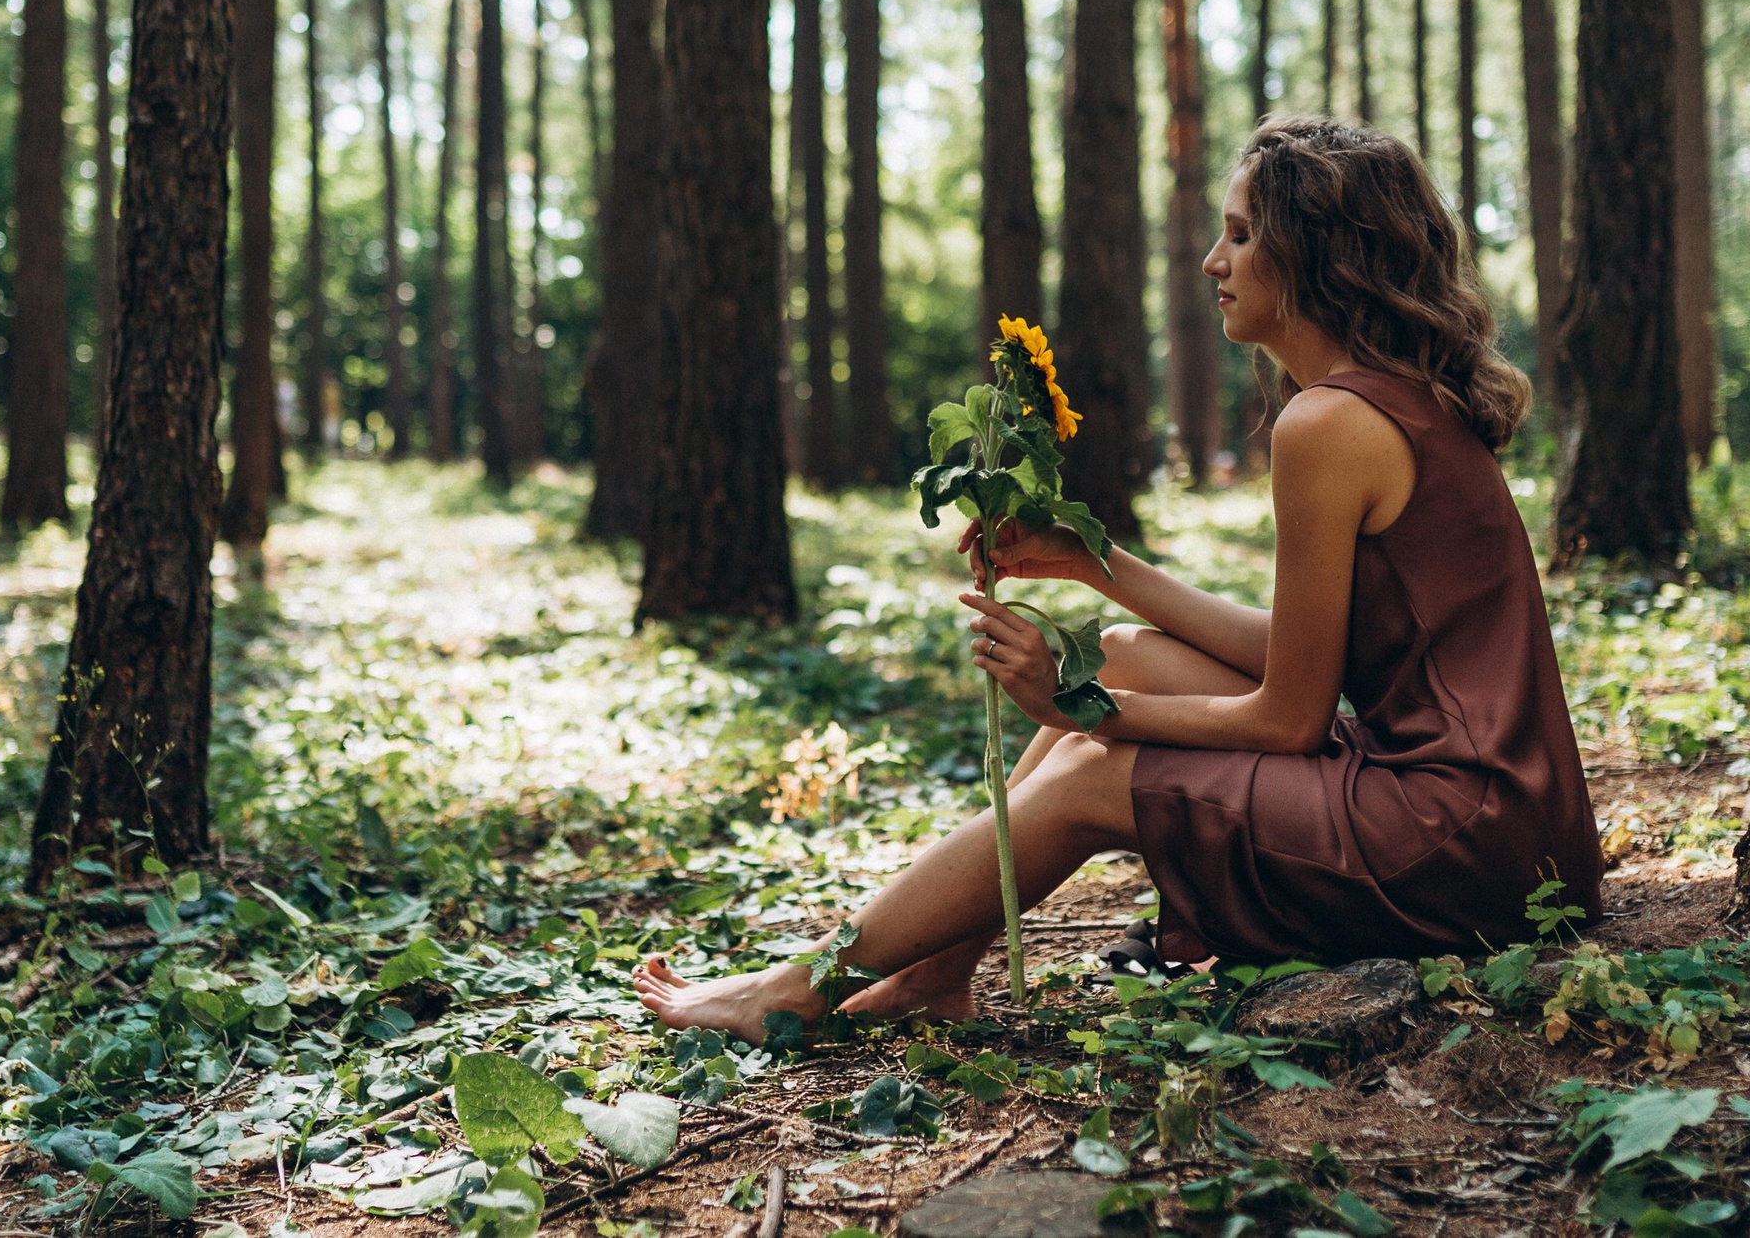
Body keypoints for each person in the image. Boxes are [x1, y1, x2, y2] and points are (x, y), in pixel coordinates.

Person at [637, 115, 1601, 1041]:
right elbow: (1303, 655)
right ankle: (935, 971)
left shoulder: (1330, 425)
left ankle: (801, 987)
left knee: (1096, 768)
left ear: (1313, 256)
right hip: (1512, 828)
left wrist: (1079, 710)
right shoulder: (1387, 402)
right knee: (1132, 652)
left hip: (1463, 841)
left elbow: (1288, 720)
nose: (1215, 263)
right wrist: (1093, 565)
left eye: (1239, 236)